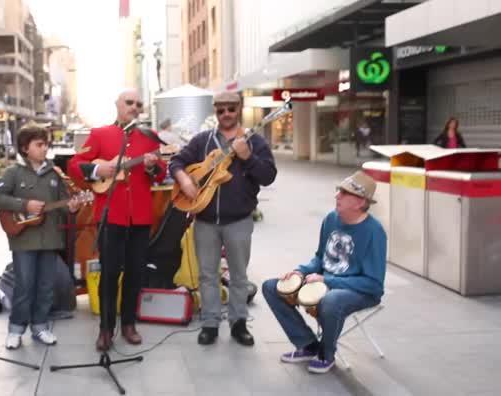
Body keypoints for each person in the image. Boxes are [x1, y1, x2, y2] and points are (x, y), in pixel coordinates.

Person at [169, 91, 277, 346]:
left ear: (238, 109)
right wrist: (184, 179)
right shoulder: (203, 141)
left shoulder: (254, 141)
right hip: (205, 220)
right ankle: (210, 323)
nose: (226, 114)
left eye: (231, 109)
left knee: (239, 275)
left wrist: (247, 157)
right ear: (215, 111)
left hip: (239, 219)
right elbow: (176, 161)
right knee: (207, 275)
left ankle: (239, 323)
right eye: (221, 110)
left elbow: (269, 176)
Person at [68, 88, 166, 351]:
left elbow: (160, 173)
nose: (134, 106)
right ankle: (106, 329)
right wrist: (100, 169)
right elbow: (75, 165)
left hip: (141, 217)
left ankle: (129, 324)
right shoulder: (101, 134)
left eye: (138, 103)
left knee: (136, 273)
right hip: (111, 215)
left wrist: (150, 166)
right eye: (129, 102)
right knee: (110, 274)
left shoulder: (150, 137)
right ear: (118, 105)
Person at [262, 171, 386, 374]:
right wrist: (300, 272)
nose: (337, 195)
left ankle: (326, 354)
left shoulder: (374, 232)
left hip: (360, 290)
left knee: (332, 299)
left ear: (360, 202)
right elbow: (321, 258)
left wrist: (328, 280)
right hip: (325, 281)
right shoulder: (331, 219)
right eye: (339, 191)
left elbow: (373, 284)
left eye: (345, 193)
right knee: (271, 287)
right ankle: (308, 344)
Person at [0, 124, 80, 348]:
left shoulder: (55, 173)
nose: (44, 149)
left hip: (50, 239)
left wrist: (72, 207)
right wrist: (25, 204)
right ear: (24, 147)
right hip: (23, 240)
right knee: (24, 285)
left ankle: (40, 327)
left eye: (46, 144)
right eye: (39, 144)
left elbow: (62, 204)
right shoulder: (13, 172)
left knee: (46, 285)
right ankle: (16, 329)